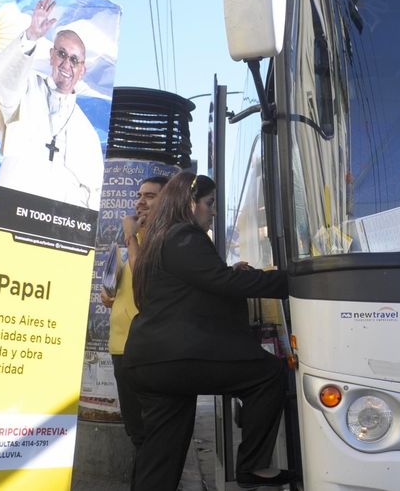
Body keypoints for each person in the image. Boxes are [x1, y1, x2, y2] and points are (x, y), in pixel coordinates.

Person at [122, 172, 292, 491]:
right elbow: (223, 284)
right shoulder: (184, 235)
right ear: (190, 203)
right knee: (268, 375)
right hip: (174, 359)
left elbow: (195, 286)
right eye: (210, 203)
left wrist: (226, 274)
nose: (213, 211)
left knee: (160, 456)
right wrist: (289, 281)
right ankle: (252, 466)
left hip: (147, 361)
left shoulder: (160, 239)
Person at [0, 0, 104, 208]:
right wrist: (31, 35)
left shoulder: (87, 132)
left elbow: (93, 195)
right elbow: (3, 80)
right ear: (51, 55)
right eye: (62, 54)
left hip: (54, 228)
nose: (66, 64)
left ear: (82, 70)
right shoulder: (26, 87)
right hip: (9, 209)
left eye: (74, 60)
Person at [100, 175, 166, 466]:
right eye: (139, 195)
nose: (140, 202)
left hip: (146, 349)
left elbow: (145, 279)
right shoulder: (136, 239)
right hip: (120, 347)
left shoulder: (164, 237)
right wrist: (110, 294)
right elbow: (127, 287)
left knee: (152, 432)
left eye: (150, 196)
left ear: (168, 200)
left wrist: (129, 237)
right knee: (136, 431)